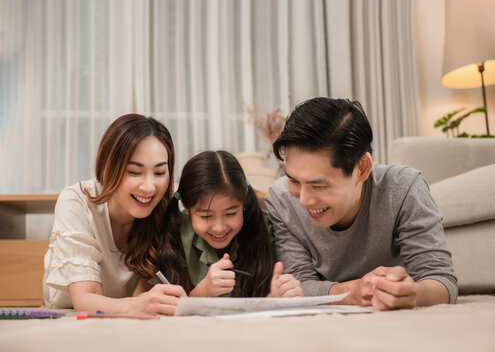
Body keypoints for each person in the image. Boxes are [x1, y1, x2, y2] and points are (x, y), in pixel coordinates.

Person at [265, 97, 458, 310]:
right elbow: (299, 286)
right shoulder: (280, 198)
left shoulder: (404, 188)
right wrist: (351, 292)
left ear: (362, 168)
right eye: (293, 180)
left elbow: (441, 280)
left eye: (318, 185)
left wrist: (414, 294)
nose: (303, 200)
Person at [43, 114, 186, 317]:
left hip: (125, 320)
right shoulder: (76, 202)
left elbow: (144, 296)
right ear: (108, 168)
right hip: (69, 317)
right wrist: (137, 306)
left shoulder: (163, 211)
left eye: (160, 173)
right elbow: (85, 301)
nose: (149, 187)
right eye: (135, 172)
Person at [158, 150, 302, 298]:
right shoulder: (177, 233)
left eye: (230, 214)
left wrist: (276, 296)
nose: (219, 228)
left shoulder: (265, 227)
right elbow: (174, 306)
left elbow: (265, 299)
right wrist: (203, 292)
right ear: (188, 209)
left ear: (244, 203)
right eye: (206, 216)